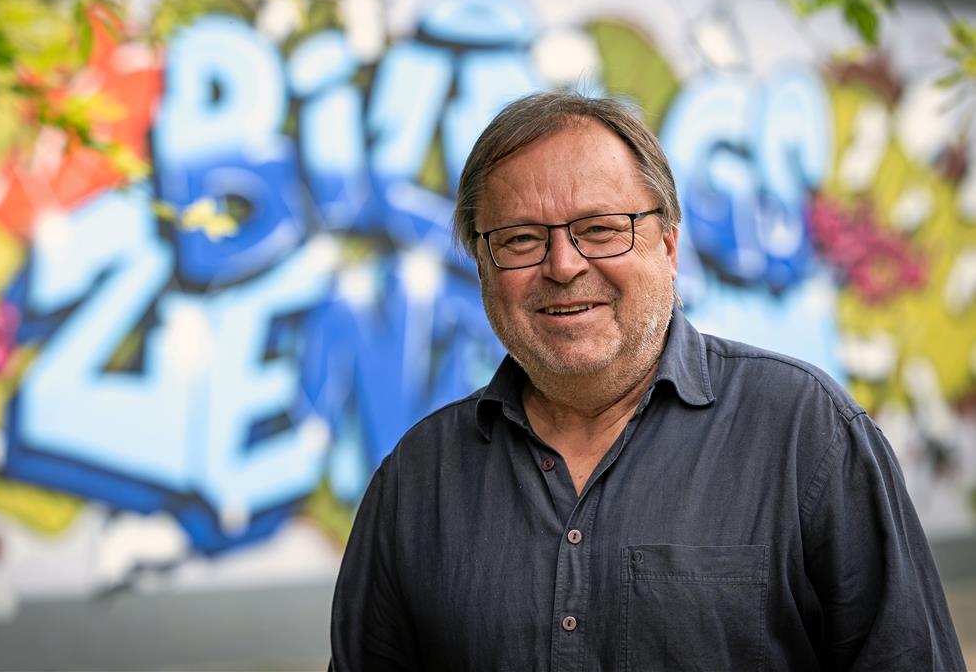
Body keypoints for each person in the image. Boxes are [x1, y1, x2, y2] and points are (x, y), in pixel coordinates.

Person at [328, 90, 965, 671]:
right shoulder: (416, 480)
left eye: (600, 229)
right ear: (482, 268)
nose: (563, 265)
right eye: (521, 239)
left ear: (667, 246)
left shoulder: (808, 436)